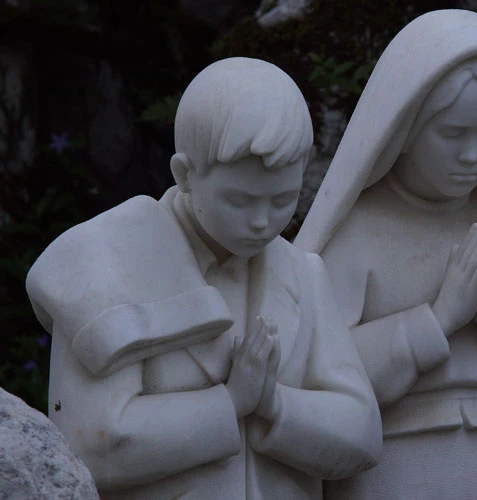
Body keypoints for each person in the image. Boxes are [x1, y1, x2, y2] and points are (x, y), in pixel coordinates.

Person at [26, 57, 381, 500]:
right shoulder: (102, 268)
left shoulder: (304, 276)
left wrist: (275, 404)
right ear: (185, 175)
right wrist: (230, 404)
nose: (262, 221)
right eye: (239, 200)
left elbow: (362, 434)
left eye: (283, 199)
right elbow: (91, 446)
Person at [294, 10, 477, 500]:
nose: (472, 154)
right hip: (396, 466)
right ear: (405, 126)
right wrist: (439, 318)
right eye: (452, 134)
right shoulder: (358, 232)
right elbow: (316, 372)